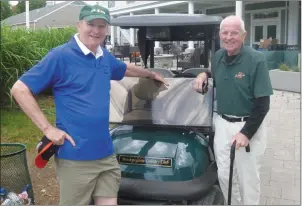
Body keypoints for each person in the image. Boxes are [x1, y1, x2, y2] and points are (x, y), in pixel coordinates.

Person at [11, 4, 168, 206]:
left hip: (106, 154)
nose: (96, 30)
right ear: (79, 25)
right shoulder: (60, 56)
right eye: (91, 24)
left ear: (107, 29)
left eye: (102, 26)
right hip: (76, 156)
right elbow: (19, 89)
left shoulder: (104, 57)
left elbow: (125, 68)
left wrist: (150, 74)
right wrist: (48, 128)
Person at [193, 15, 273, 205]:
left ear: (243, 36)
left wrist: (246, 133)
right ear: (220, 34)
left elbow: (263, 105)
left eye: (234, 33)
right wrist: (204, 73)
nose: (229, 37)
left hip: (248, 126)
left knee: (248, 179)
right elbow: (215, 72)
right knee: (225, 175)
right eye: (225, 33)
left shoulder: (256, 60)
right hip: (222, 124)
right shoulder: (219, 55)